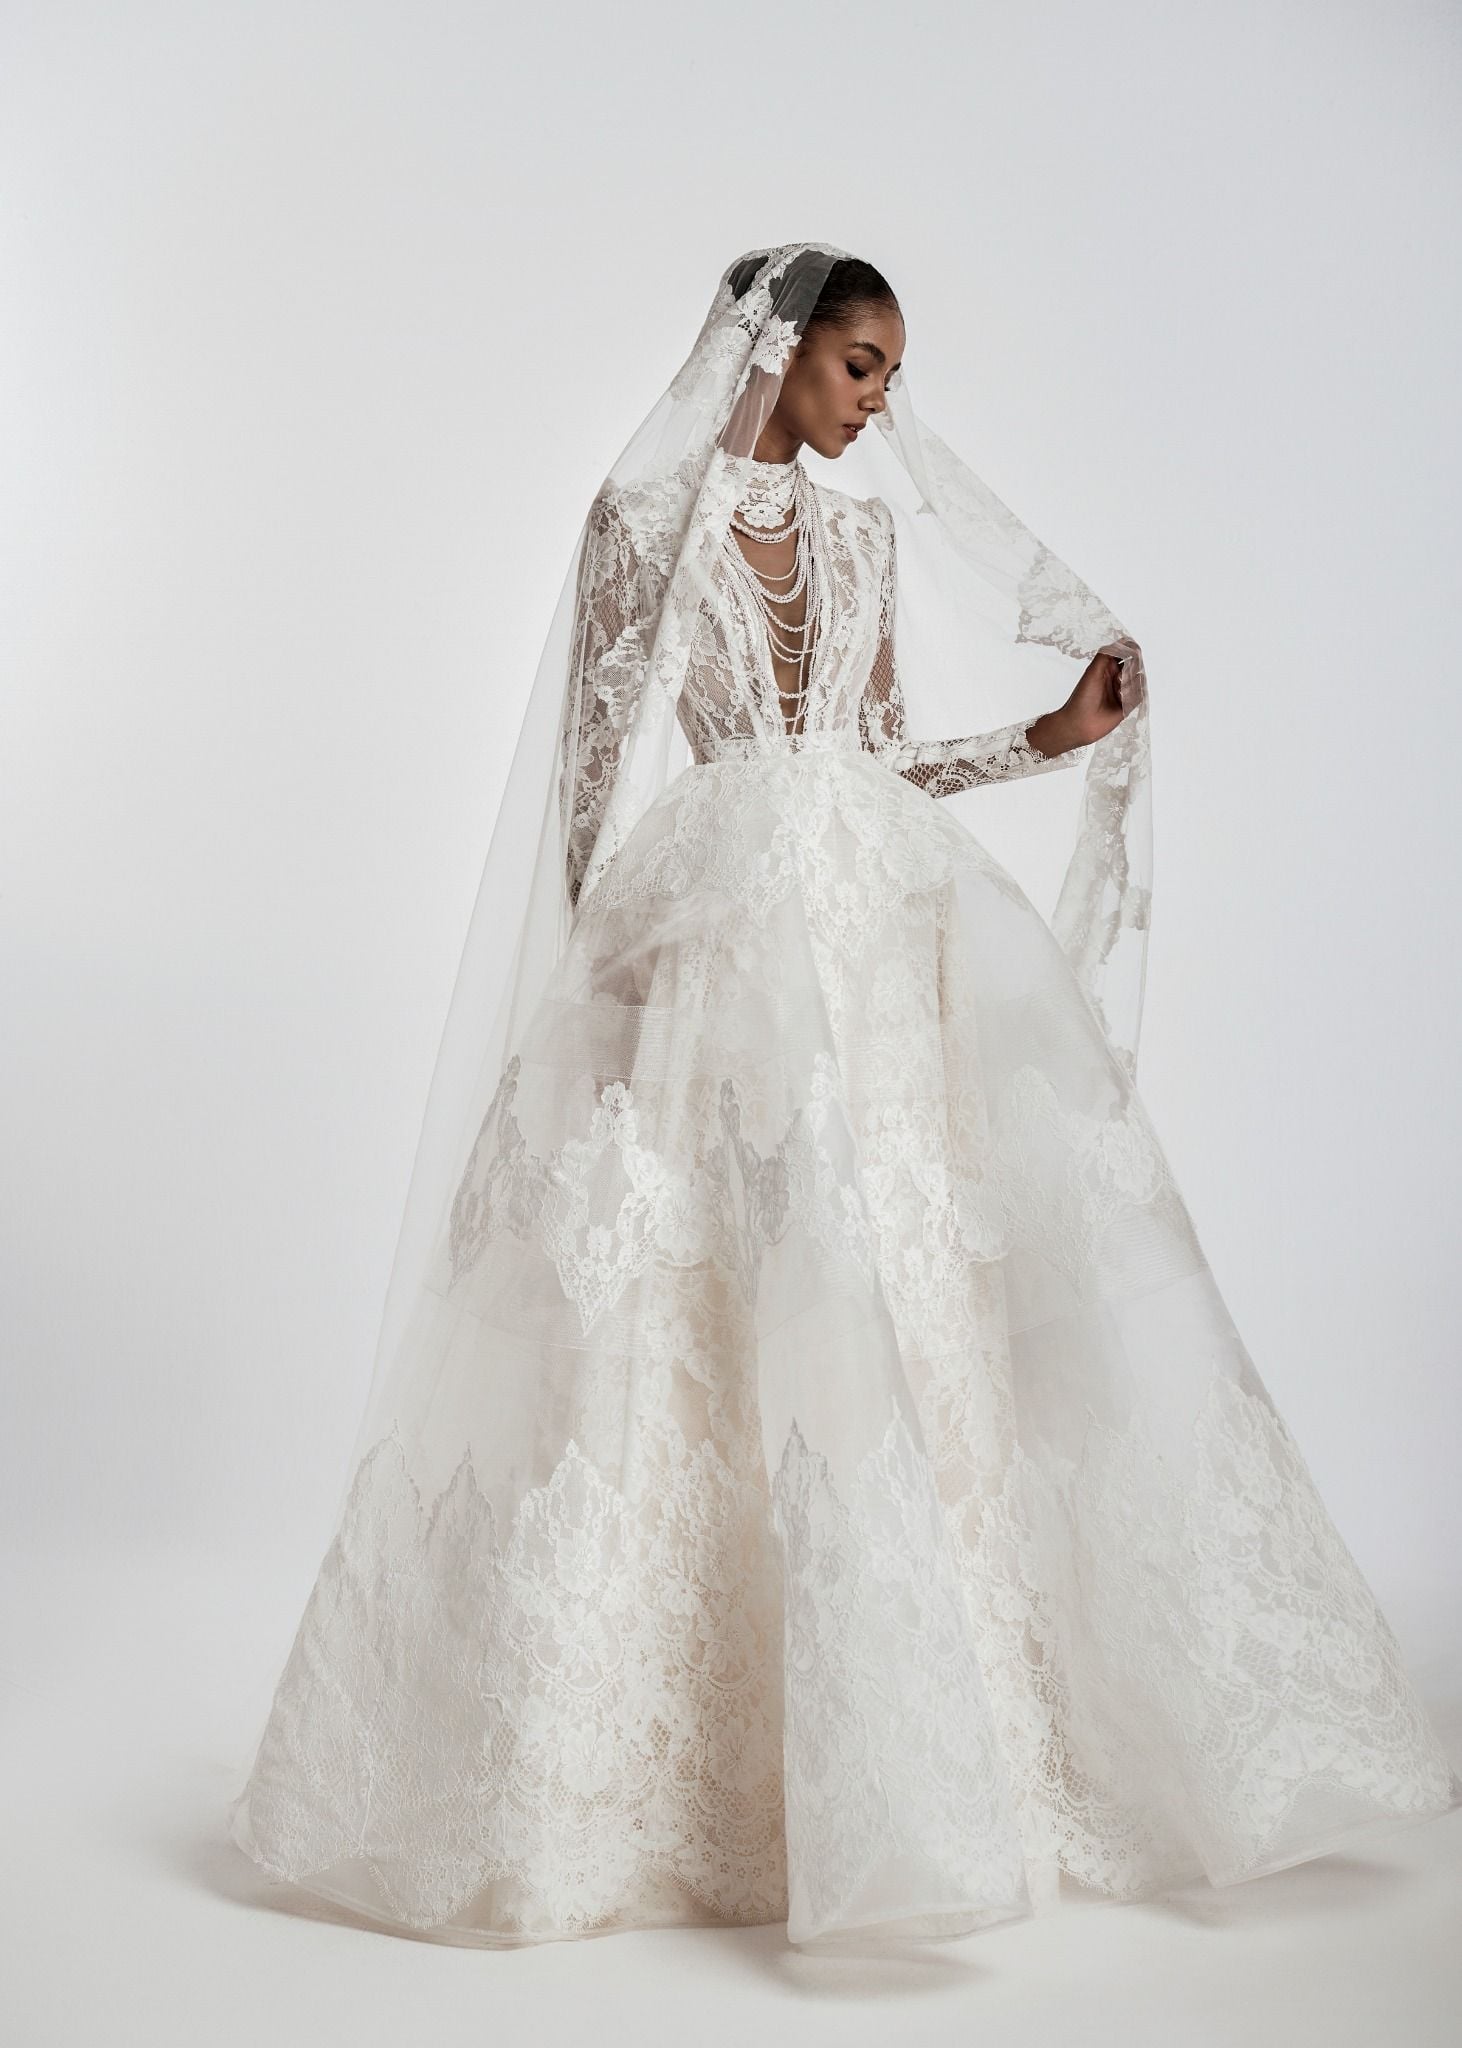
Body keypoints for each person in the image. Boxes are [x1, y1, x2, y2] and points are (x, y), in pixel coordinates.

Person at [227, 243, 1460, 1953]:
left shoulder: (863, 536)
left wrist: (1042, 735)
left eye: (888, 375)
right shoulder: (644, 528)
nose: (882, 404)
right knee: (697, 1310)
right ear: (781, 350)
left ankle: (925, 1732)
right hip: (716, 935)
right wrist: (595, 973)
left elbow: (870, 757)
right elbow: (591, 784)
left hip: (872, 931)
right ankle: (667, 1744)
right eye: (863, 365)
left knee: (893, 1290)